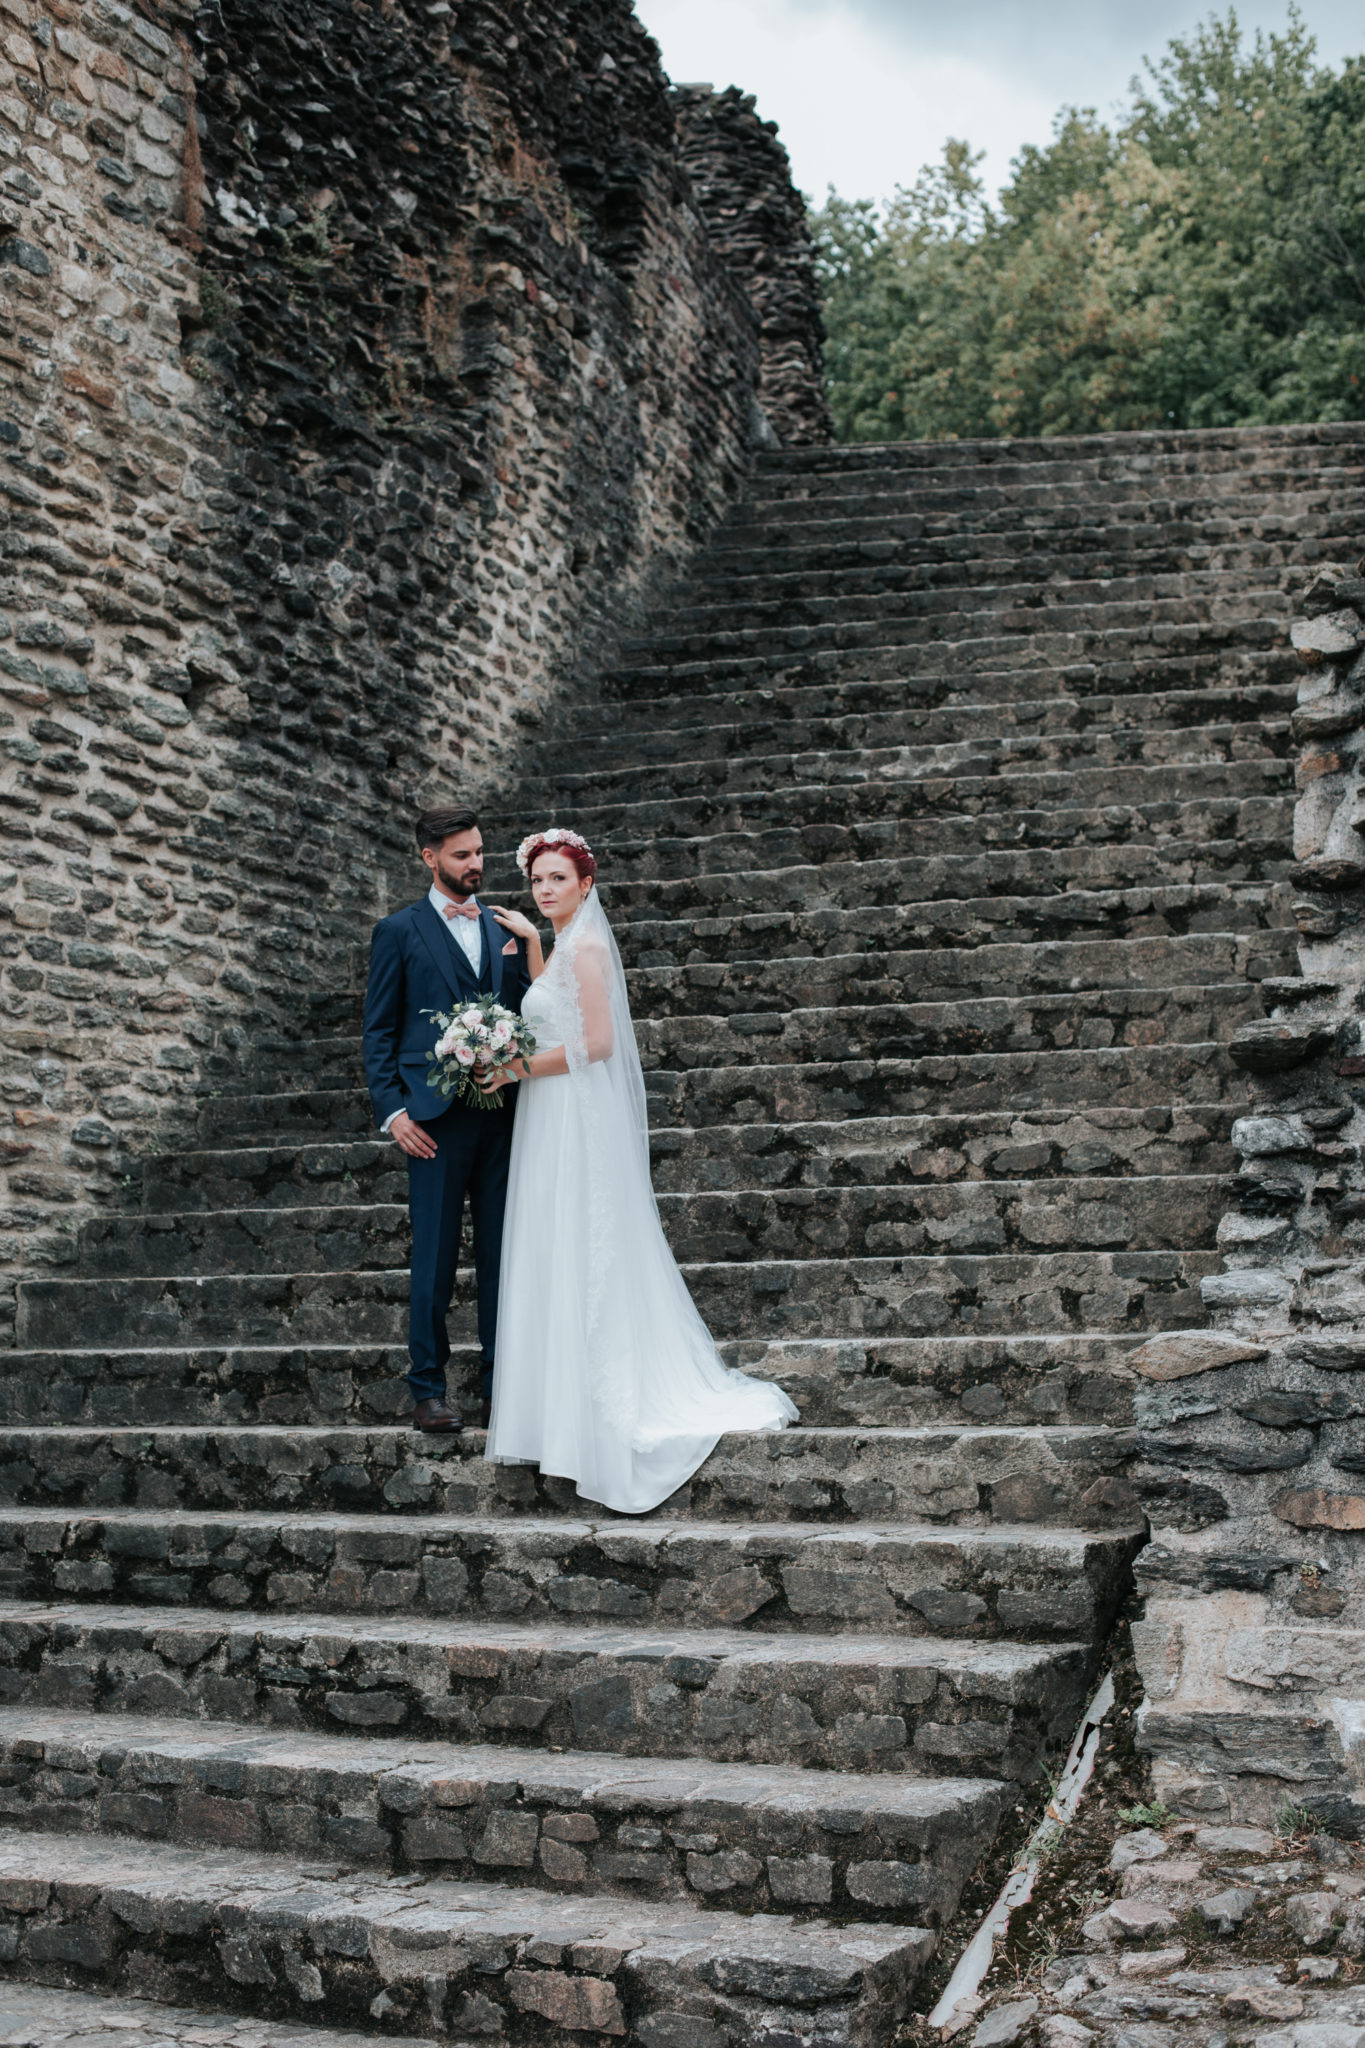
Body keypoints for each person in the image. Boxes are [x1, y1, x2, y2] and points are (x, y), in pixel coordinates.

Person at [477, 826, 796, 1514]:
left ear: (585, 885)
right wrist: (533, 948)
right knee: (553, 1247)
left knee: (579, 1246)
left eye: (558, 879)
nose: (546, 890)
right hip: (551, 1113)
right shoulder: (563, 947)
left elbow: (594, 1043)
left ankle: (594, 1417)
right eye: (537, 881)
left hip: (569, 1114)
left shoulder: (588, 948)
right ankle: (557, 1415)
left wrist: (513, 1069)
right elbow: (554, 1006)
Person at [362, 805, 530, 1432]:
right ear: (429, 858)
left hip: (502, 1115)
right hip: (431, 1122)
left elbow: (524, 1012)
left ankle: (498, 1387)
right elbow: (378, 1030)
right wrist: (394, 1111)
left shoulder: (505, 928)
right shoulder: (397, 931)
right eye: (462, 855)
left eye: (480, 852)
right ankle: (427, 1388)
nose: (476, 865)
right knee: (432, 1257)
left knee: (501, 1255)